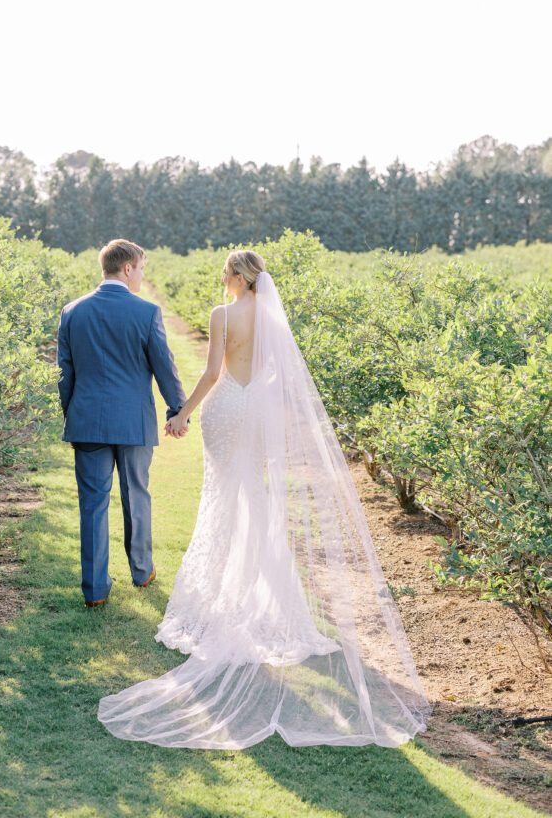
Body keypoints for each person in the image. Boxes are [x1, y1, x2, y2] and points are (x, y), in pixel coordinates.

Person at [98, 250, 431, 749]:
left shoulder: (222, 315)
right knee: (255, 502)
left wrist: (181, 414)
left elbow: (213, 375)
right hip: (259, 413)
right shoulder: (272, 317)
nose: (220, 280)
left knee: (225, 502)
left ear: (238, 276)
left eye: (224, 273)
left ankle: (227, 605)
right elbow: (280, 376)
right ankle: (268, 603)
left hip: (229, 410)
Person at [57, 238, 187, 607]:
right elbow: (165, 366)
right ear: (127, 268)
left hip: (87, 421)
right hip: (134, 422)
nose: (143, 277)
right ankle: (142, 571)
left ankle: (95, 590)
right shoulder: (147, 312)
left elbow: (63, 373)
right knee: (137, 495)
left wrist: (72, 414)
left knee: (93, 504)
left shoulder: (72, 311)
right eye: (142, 269)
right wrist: (177, 410)